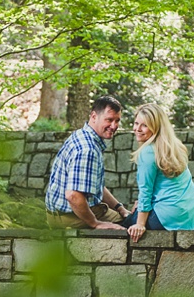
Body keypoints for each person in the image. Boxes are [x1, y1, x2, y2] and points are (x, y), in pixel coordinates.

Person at [44, 95, 134, 229]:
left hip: (64, 213)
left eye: (117, 121)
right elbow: (73, 195)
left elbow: (94, 186)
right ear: (93, 116)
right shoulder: (87, 149)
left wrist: (120, 208)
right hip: (70, 217)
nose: (114, 126)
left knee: (128, 216)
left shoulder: (82, 135)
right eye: (109, 120)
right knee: (134, 225)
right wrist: (96, 224)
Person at [120, 103, 194, 242]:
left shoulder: (148, 152)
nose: (137, 129)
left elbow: (145, 191)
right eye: (136, 123)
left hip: (168, 217)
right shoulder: (176, 147)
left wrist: (139, 224)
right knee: (136, 211)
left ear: (156, 127)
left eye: (145, 125)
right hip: (192, 215)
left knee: (122, 224)